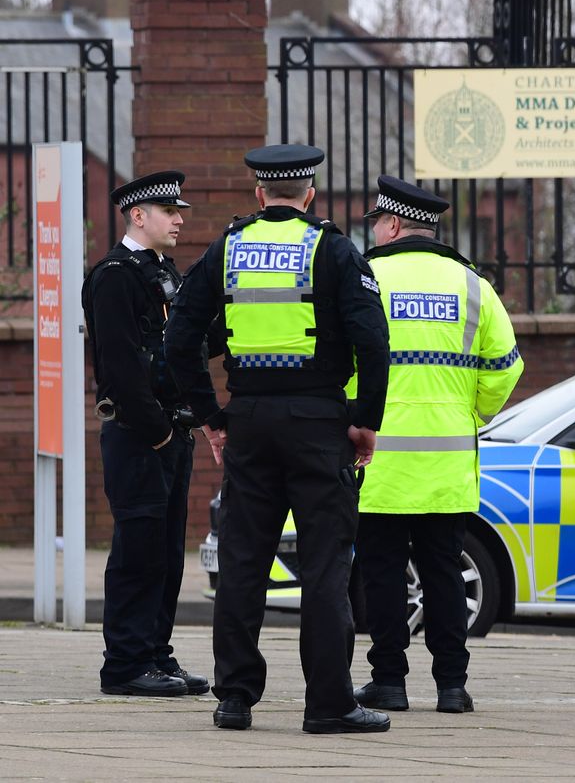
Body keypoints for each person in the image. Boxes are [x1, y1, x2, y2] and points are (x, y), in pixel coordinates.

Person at [163, 144, 392, 734]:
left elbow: (180, 336)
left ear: (260, 194)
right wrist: (365, 420)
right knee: (324, 567)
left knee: (242, 563)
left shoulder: (227, 250)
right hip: (320, 425)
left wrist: (211, 415)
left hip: (251, 422)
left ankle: (234, 697)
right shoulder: (335, 250)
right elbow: (373, 341)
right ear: (309, 194)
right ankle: (330, 704)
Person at [351, 176, 523, 715]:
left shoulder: (367, 278)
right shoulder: (473, 286)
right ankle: (452, 685)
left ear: (395, 224)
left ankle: (390, 683)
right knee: (444, 572)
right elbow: (506, 367)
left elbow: (340, 361)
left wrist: (355, 413)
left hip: (378, 461)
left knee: (381, 574)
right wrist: (472, 410)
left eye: (377, 223)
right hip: (447, 462)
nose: (373, 233)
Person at [81, 170, 208, 697]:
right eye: (169, 211)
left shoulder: (163, 272)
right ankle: (126, 665)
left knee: (165, 550)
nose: (179, 219)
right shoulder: (114, 275)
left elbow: (180, 348)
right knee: (138, 549)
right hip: (139, 434)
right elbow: (120, 365)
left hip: (170, 432)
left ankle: (157, 653)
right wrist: (157, 431)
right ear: (139, 215)